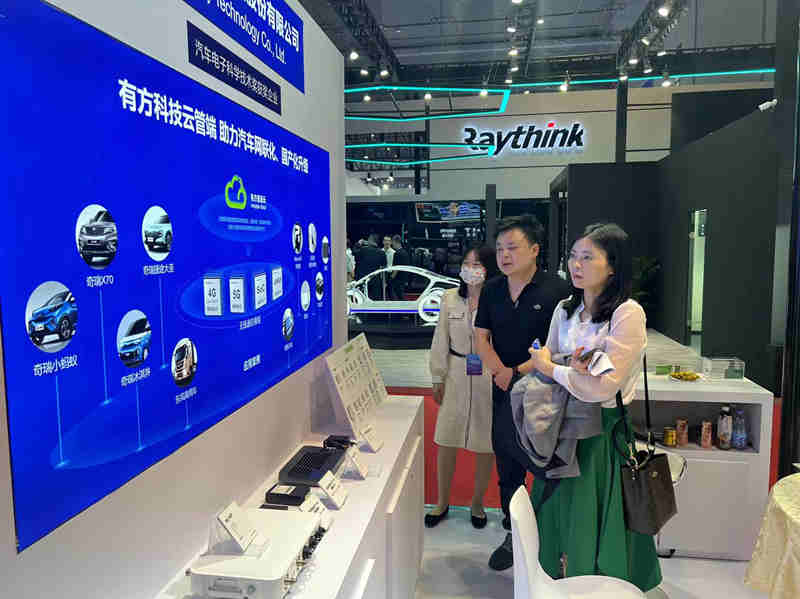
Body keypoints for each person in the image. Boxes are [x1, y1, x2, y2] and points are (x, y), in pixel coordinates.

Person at [520, 223, 662, 592]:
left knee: (593, 512)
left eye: (587, 257)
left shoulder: (627, 313)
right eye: (573, 256)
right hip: (560, 426)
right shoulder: (565, 309)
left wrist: (553, 367)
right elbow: (549, 351)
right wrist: (560, 364)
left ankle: (600, 589)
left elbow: (602, 388)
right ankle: (559, 584)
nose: (576, 265)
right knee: (557, 511)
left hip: (601, 433)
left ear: (612, 266)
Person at [474, 214, 571, 571]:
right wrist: (500, 371)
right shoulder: (492, 289)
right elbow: (480, 337)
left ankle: (552, 541)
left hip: (545, 393)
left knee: (548, 466)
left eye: (512, 247)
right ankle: (513, 534)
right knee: (508, 465)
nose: (504, 255)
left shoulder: (558, 291)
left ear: (534, 249)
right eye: (500, 248)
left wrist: (517, 372)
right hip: (502, 390)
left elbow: (557, 346)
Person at [427, 244, 500, 529]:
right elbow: (440, 338)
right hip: (456, 372)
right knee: (446, 438)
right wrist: (437, 375)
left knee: (485, 442)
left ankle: (477, 503)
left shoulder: (498, 300)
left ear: (488, 269)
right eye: (467, 264)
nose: (471, 270)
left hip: (487, 374)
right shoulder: (450, 298)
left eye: (477, 264)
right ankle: (442, 501)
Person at [354, 235, 386, 300]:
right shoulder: (382, 252)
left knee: (362, 299)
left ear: (370, 240)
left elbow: (354, 253)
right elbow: (384, 266)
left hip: (363, 280)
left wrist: (358, 243)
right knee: (375, 301)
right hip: (375, 280)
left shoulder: (363, 250)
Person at [388, 235, 410, 300]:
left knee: (396, 296)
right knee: (400, 295)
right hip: (403, 278)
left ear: (395, 242)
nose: (392, 244)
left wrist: (391, 278)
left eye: (392, 242)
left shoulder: (397, 253)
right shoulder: (405, 252)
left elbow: (396, 268)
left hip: (397, 279)